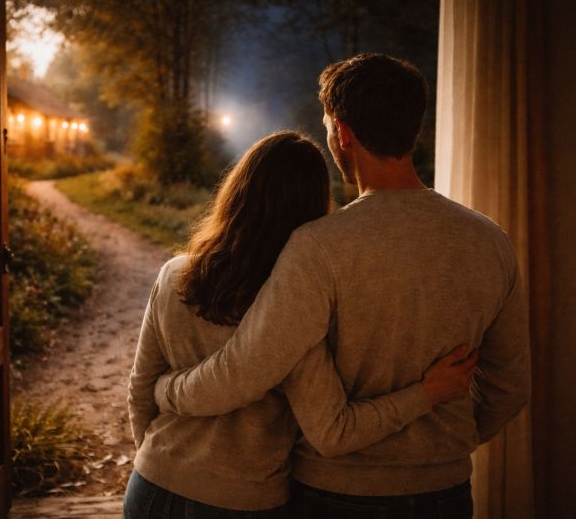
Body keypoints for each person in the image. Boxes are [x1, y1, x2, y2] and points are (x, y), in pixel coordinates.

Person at [153, 54, 530, 519]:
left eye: (328, 127)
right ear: (413, 128)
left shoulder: (317, 247)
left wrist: (166, 391)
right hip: (446, 490)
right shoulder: (489, 240)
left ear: (343, 134)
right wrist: (444, 447)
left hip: (337, 493)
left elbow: (244, 372)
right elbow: (510, 387)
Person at [124, 131, 479, 518]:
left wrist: (160, 456)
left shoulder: (174, 274)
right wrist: (426, 393)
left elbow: (140, 390)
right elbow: (335, 430)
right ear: (312, 209)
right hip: (242, 502)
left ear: (236, 191)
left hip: (152, 484)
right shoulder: (294, 306)